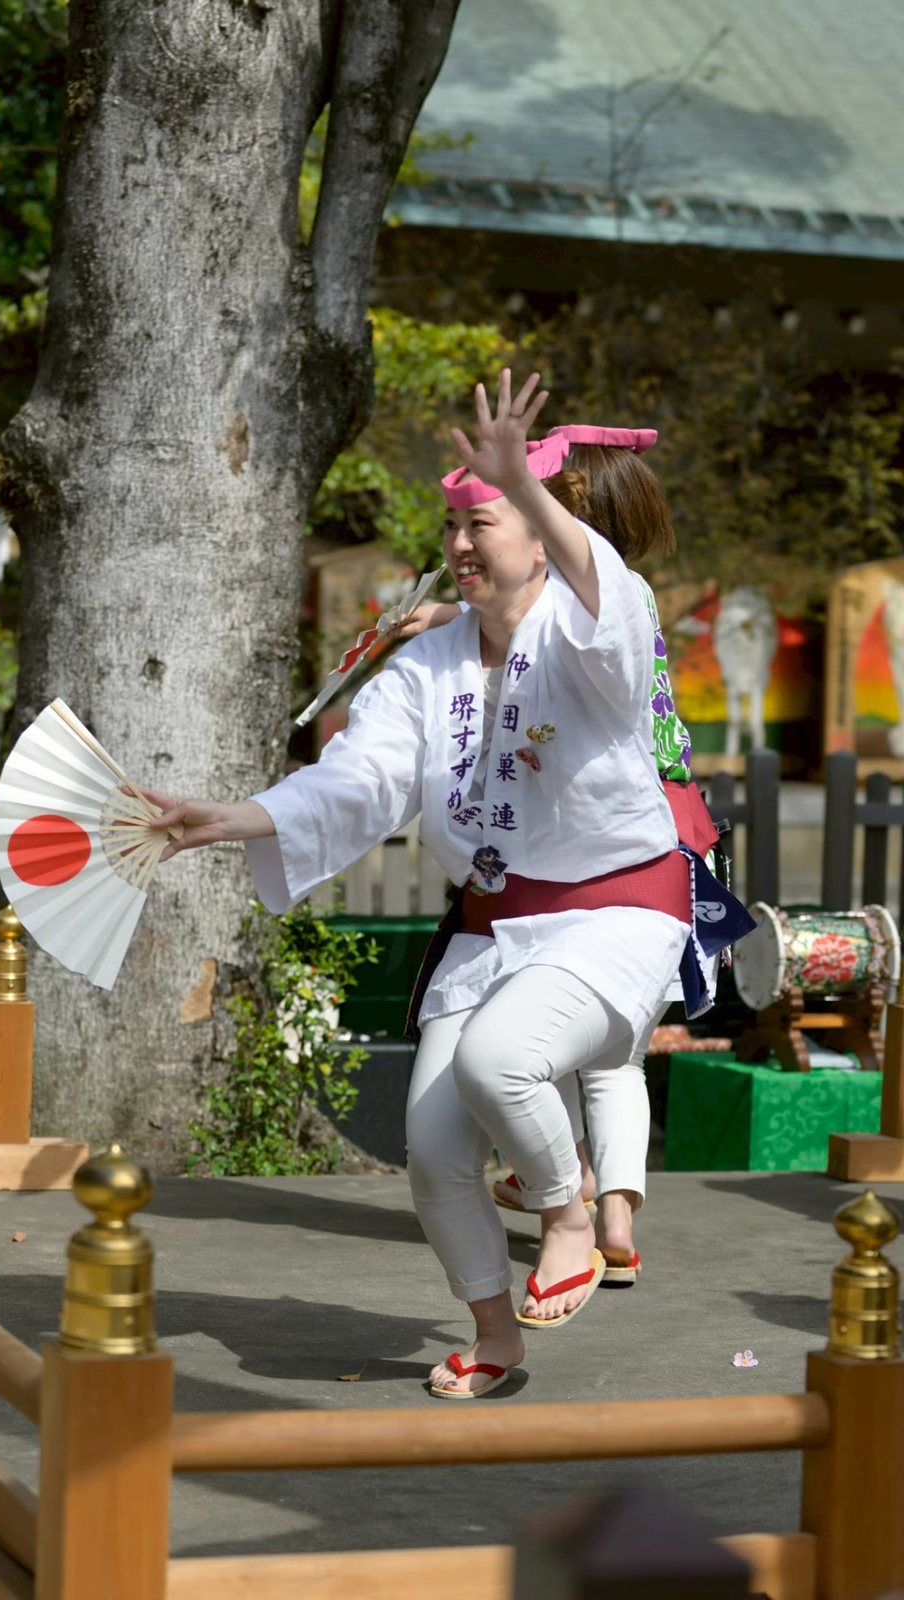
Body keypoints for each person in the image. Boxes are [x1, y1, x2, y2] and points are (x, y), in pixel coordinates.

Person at [146, 371, 744, 1398]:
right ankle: (493, 1334)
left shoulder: (597, 624)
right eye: (452, 525)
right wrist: (236, 817)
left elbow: (611, 608)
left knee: (504, 1061)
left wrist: (531, 484)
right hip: (493, 928)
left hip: (617, 915)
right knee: (429, 1146)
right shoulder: (428, 669)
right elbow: (363, 778)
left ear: (541, 527)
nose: (459, 546)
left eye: (482, 522)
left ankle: (569, 1210)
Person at [394, 423, 706, 1287]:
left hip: (620, 869)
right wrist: (456, 620)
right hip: (611, 858)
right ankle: (610, 1218)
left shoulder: (613, 601)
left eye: (536, 499)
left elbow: (553, 629)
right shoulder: (569, 606)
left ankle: (581, 1201)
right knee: (599, 1057)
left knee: (578, 1055)